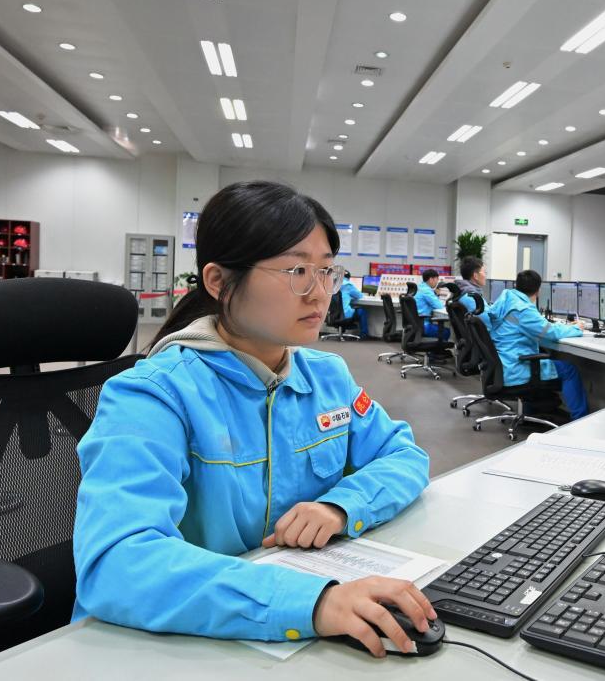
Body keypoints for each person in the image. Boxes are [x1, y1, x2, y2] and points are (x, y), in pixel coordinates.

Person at [72, 180, 434, 658]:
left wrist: (341, 507)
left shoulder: (327, 376)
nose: (320, 293)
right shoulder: (153, 394)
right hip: (173, 646)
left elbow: (404, 456)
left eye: (327, 271)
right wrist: (310, 602)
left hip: (280, 639)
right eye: (297, 270)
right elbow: (116, 563)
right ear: (219, 281)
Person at [487, 269, 589, 419]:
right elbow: (551, 332)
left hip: (504, 364)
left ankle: (530, 411)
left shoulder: (506, 300)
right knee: (569, 370)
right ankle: (580, 420)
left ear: (516, 285)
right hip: (516, 368)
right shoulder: (523, 309)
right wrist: (576, 328)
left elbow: (536, 330)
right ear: (538, 290)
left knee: (547, 357)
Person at [414, 268, 450, 341]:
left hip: (416, 323)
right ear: (431, 279)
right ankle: (438, 348)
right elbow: (439, 306)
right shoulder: (427, 291)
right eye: (437, 279)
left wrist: (435, 295)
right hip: (424, 325)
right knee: (447, 332)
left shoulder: (421, 287)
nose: (437, 282)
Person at [455, 256, 490, 327]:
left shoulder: (464, 292)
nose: (485, 276)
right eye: (484, 272)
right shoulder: (472, 297)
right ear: (475, 276)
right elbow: (489, 320)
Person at [338, 270, 369, 338]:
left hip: (332, 315)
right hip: (345, 314)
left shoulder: (333, 285)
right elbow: (359, 296)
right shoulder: (348, 285)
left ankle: (342, 329)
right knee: (362, 311)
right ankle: (364, 334)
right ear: (348, 278)